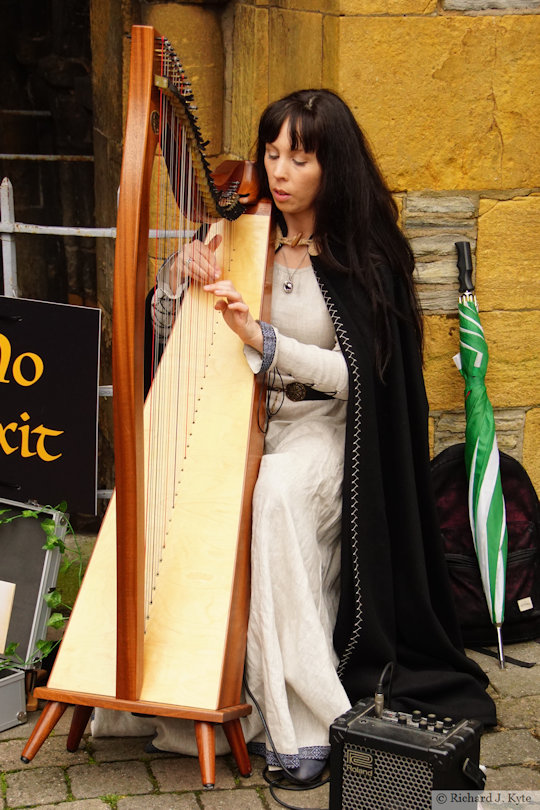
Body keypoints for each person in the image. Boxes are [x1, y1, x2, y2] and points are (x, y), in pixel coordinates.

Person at [93, 89, 496, 781]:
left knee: (275, 490)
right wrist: (171, 280)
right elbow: (172, 333)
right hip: (241, 419)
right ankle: (185, 694)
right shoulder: (235, 233)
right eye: (272, 154)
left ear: (330, 168)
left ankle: (305, 720)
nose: (279, 172)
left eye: (299, 159)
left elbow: (360, 378)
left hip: (329, 432)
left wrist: (266, 341)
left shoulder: (368, 257)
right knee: (185, 499)